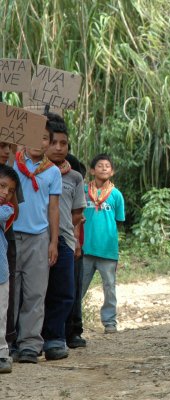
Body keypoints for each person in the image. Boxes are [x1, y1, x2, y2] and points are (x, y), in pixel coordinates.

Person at [12, 123, 62, 364]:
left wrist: (54, 241)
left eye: (44, 139)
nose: (38, 142)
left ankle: (30, 344)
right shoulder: (12, 163)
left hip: (39, 237)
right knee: (10, 291)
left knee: (35, 292)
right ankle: (8, 341)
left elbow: (53, 208)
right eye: (34, 136)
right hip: (11, 235)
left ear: (48, 144)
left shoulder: (52, 172)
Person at [42, 116, 86, 360]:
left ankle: (55, 338)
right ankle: (30, 338)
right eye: (54, 142)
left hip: (65, 242)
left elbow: (77, 214)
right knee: (37, 292)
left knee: (65, 291)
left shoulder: (75, 177)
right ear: (44, 142)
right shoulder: (32, 172)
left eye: (64, 143)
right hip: (38, 238)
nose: (59, 147)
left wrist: (76, 241)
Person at [80, 154, 125, 334]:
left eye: (107, 166)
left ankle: (109, 322)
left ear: (112, 172)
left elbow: (119, 221)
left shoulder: (116, 195)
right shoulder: (83, 191)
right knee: (79, 287)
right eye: (100, 165)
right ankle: (73, 321)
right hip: (86, 248)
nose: (104, 168)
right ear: (92, 170)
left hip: (107, 250)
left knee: (109, 288)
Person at [0, 142, 23, 360]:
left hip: (4, 246)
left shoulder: (11, 175)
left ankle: (5, 346)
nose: (6, 151)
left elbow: (13, 207)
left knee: (4, 300)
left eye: (9, 147)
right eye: (1, 146)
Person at [65, 153, 88, 348]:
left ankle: (73, 330)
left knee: (72, 287)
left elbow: (77, 214)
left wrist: (76, 241)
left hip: (70, 240)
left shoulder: (72, 166)